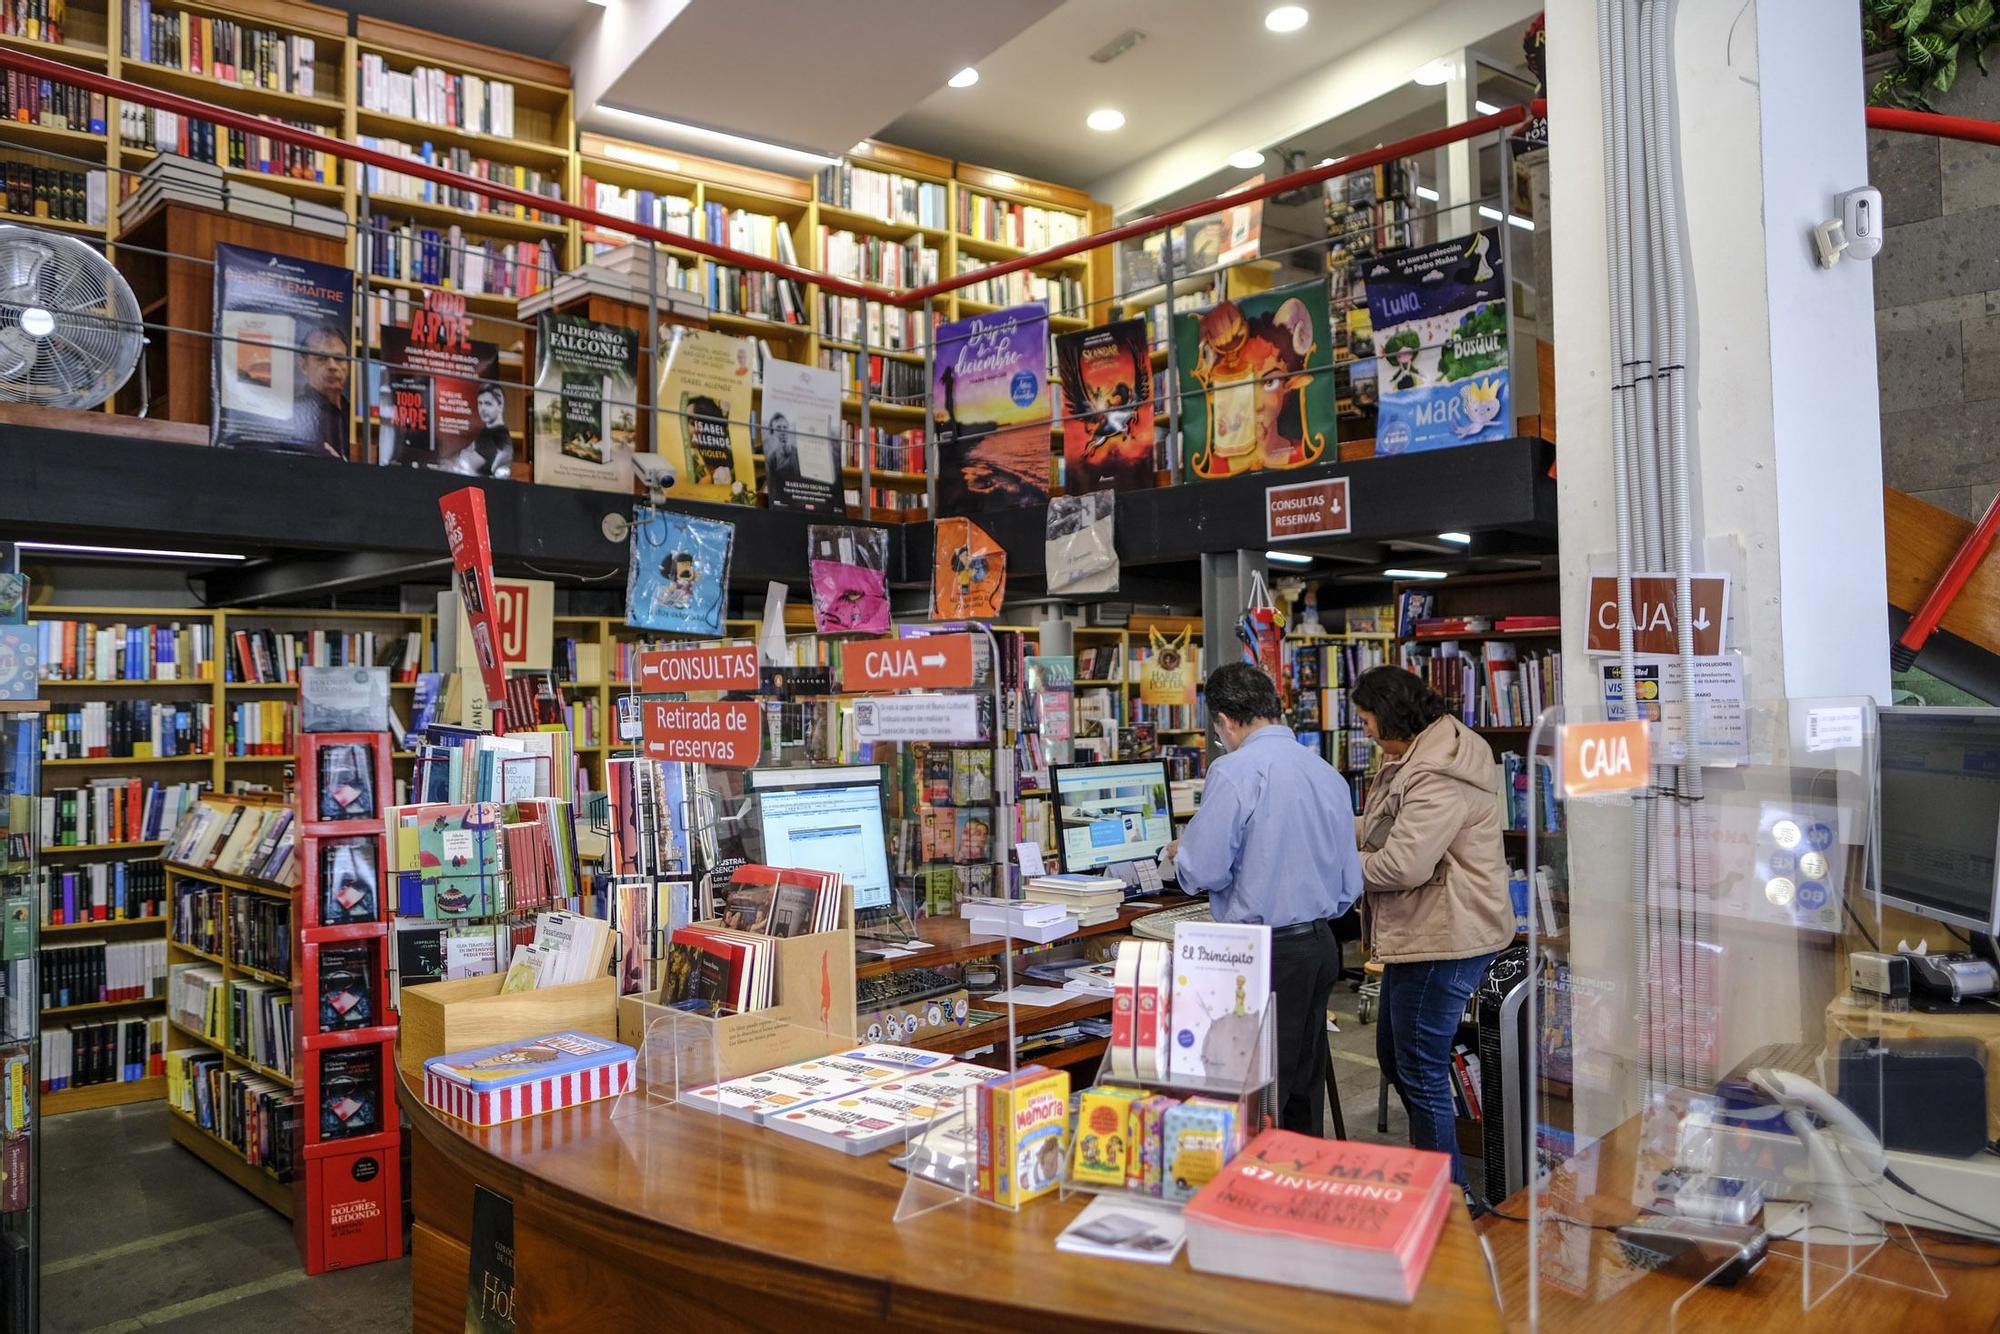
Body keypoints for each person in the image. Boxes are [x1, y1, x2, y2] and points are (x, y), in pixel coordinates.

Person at [1165, 662, 1361, 1135]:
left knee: (1256, 1090)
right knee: (1301, 1084)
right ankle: (1299, 1185)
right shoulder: (1326, 772)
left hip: (1264, 953)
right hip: (1319, 945)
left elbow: (1204, 869)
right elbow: (1348, 882)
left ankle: (1257, 1191)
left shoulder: (1233, 772)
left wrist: (1179, 855)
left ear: (1226, 721)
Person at [1350, 665, 1515, 1193]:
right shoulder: (1414, 756)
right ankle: (1445, 1188)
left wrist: (1334, 866)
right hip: (1425, 931)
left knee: (1420, 1069)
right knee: (1396, 1057)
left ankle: (1449, 1203)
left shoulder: (1436, 773)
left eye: (1368, 720)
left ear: (1390, 715)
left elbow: (1403, 865)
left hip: (1446, 932)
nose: (1367, 731)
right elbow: (1382, 827)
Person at [290, 323, 351, 460]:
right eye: (322, 358)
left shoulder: (353, 414)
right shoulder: (292, 412)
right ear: (304, 365)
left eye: (339, 359)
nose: (332, 366)